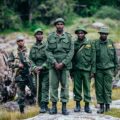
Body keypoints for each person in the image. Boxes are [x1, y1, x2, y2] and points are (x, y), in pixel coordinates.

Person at [46, 18, 74, 115]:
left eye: (61, 24)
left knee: (65, 86)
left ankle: (64, 107)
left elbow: (71, 51)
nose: (60, 25)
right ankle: (53, 107)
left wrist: (63, 63)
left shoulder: (69, 37)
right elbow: (47, 50)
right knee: (53, 86)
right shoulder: (50, 37)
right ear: (55, 26)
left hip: (65, 66)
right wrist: (54, 62)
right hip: (53, 66)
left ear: (63, 25)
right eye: (58, 24)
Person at [72, 26, 96, 113]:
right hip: (77, 69)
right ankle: (77, 105)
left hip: (87, 70)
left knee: (87, 88)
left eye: (82, 33)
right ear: (77, 34)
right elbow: (72, 58)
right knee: (77, 88)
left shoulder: (90, 43)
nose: (80, 34)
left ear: (84, 34)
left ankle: (87, 106)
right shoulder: (74, 43)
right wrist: (71, 71)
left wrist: (93, 71)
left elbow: (93, 57)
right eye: (78, 33)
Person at [94, 27, 118, 114]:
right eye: (102, 33)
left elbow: (115, 57)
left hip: (109, 69)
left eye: (105, 34)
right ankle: (101, 107)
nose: (103, 35)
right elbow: (93, 58)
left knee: (108, 88)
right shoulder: (95, 43)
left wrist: (116, 69)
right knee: (99, 89)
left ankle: (108, 106)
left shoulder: (111, 43)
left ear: (107, 35)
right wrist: (93, 70)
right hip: (99, 70)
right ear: (99, 34)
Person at [10, 35, 35, 113]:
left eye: (22, 41)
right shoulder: (14, 52)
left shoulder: (29, 50)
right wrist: (17, 65)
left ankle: (40, 107)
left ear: (24, 41)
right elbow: (9, 63)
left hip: (29, 75)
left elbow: (34, 60)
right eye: (19, 41)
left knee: (35, 90)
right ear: (17, 42)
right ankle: (22, 111)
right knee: (21, 95)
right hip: (19, 76)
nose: (20, 42)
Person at [29, 28, 49, 113]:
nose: (40, 36)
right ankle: (41, 105)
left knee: (45, 87)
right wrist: (34, 67)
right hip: (36, 71)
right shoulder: (32, 48)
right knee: (38, 88)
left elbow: (49, 58)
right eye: (38, 34)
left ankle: (44, 105)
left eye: (41, 34)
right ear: (35, 36)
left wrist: (42, 66)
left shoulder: (46, 46)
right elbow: (30, 59)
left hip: (45, 71)